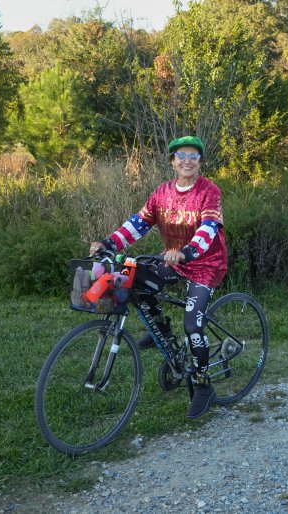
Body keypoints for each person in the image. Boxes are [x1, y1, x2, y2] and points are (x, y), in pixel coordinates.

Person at [89, 135, 227, 420]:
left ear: (200, 162)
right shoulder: (162, 192)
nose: (187, 161)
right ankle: (160, 330)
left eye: (193, 156)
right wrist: (109, 243)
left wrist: (187, 252)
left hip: (205, 263)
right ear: (173, 161)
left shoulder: (209, 191)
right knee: (133, 275)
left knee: (192, 325)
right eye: (181, 155)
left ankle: (203, 385)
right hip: (173, 258)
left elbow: (209, 227)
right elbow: (138, 223)